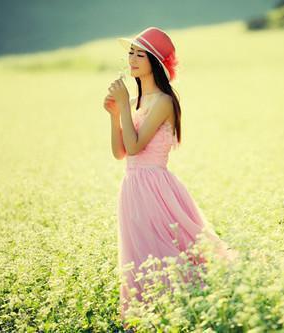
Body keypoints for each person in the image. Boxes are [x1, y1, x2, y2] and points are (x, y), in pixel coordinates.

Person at [103, 27, 239, 332]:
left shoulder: (164, 100)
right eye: (131, 52)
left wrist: (124, 105)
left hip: (154, 186)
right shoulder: (136, 99)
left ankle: (183, 315)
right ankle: (147, 320)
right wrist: (115, 114)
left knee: (165, 253)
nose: (133, 59)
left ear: (155, 61)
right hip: (132, 186)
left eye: (140, 53)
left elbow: (138, 146)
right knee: (139, 258)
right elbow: (121, 152)